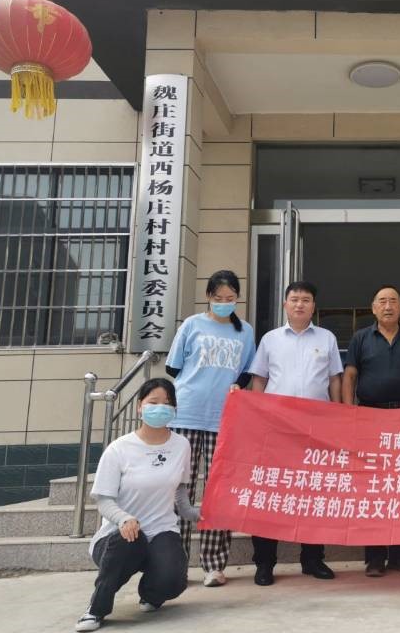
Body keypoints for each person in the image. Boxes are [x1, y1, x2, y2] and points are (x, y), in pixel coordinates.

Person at [75, 379, 200, 632]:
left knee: (174, 579)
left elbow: (180, 489)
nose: (160, 407)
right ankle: (96, 609)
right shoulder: (119, 449)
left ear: (175, 409)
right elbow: (104, 500)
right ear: (140, 407)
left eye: (167, 403)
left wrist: (193, 513)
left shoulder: (181, 445)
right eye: (153, 402)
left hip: (161, 530)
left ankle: (151, 594)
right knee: (129, 539)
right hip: (118, 537)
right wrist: (124, 519)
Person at [246, 281, 342, 586]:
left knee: (314, 492)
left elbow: (334, 379)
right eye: (295, 299)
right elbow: (259, 380)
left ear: (314, 306)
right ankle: (265, 563)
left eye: (306, 300)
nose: (300, 304)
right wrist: (258, 416)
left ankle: (312, 559)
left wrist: (337, 416)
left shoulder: (326, 338)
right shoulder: (270, 339)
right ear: (285, 304)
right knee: (270, 493)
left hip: (316, 428)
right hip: (277, 428)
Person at [165, 270, 256, 587]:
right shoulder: (192, 325)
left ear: (237, 298)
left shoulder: (245, 331)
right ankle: (174, 563)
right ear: (208, 296)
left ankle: (214, 565)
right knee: (181, 490)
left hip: (224, 418)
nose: (224, 303)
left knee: (219, 491)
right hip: (187, 414)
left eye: (230, 298)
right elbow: (173, 366)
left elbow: (247, 371)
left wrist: (235, 385)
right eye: (218, 298)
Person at [342, 284, 400, 577]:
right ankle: (375, 557)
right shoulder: (360, 338)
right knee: (373, 489)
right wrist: (349, 412)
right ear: (373, 307)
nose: (388, 306)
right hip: (371, 417)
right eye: (382, 301)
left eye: (393, 301)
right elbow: (350, 376)